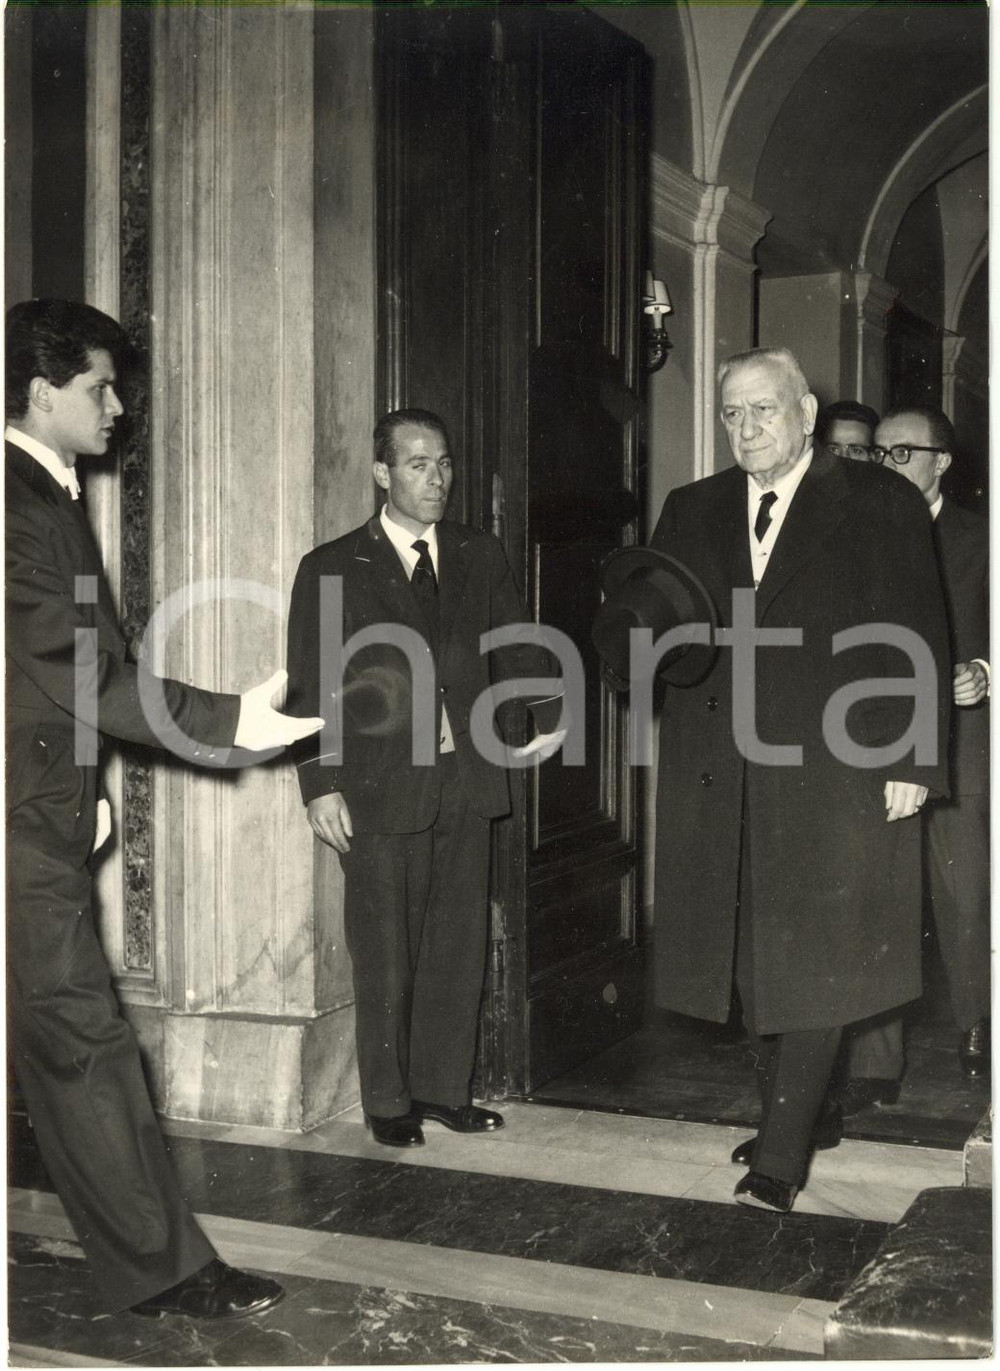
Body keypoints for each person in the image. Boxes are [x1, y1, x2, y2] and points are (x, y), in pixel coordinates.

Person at [5, 299, 323, 1317]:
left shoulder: (40, 494)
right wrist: (232, 721)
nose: (118, 405)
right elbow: (78, 665)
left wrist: (84, 788)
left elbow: (39, 677)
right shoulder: (16, 502)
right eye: (101, 386)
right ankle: (165, 1269)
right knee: (84, 1042)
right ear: (41, 390)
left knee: (65, 1042)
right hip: (13, 830)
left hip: (35, 809)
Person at [593, 348, 950, 1212]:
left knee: (821, 953)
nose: (746, 429)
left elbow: (920, 632)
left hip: (839, 765)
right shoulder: (694, 507)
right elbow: (666, 635)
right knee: (751, 955)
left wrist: (915, 759)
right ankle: (797, 1111)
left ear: (806, 412)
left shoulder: (879, 499)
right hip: (721, 770)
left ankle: (781, 1157)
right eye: (731, 414)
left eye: (764, 410)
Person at [286, 409, 565, 1148]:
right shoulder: (333, 566)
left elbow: (517, 642)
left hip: (467, 773)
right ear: (382, 472)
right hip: (377, 786)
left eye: (443, 464)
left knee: (456, 941)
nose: (437, 478)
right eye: (417, 464)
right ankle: (387, 1098)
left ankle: (445, 1089)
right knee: (385, 948)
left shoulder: (478, 552)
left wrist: (547, 712)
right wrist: (320, 783)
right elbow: (309, 685)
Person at [837, 406, 990, 1105]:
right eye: (881, 452)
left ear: (942, 462)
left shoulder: (981, 538)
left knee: (967, 897)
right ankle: (875, 1062)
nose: (888, 464)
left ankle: (980, 1028)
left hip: (961, 748)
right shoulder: (856, 534)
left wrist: (985, 671)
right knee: (879, 896)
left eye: (903, 452)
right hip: (878, 742)